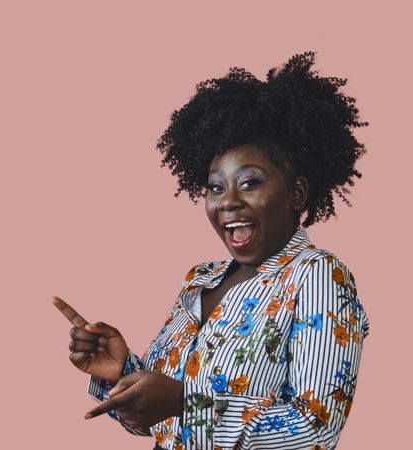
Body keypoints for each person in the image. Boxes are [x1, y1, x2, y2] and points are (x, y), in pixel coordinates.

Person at [52, 51, 369, 450]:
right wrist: (119, 374)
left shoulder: (318, 276)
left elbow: (315, 430)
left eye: (249, 183)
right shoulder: (198, 280)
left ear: (296, 192)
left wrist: (185, 402)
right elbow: (156, 424)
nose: (227, 202)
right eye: (216, 188)